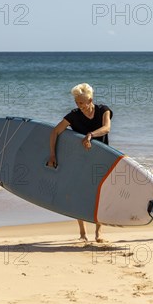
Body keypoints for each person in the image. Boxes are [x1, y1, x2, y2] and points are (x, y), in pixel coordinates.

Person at [48, 83, 112, 243]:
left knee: (99, 194)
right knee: (78, 193)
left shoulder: (103, 110)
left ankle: (98, 232)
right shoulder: (74, 115)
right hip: (80, 159)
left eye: (82, 102)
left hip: (100, 157)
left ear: (90, 99)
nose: (79, 106)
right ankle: (83, 233)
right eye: (77, 102)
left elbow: (106, 128)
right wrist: (52, 154)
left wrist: (90, 135)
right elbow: (55, 131)